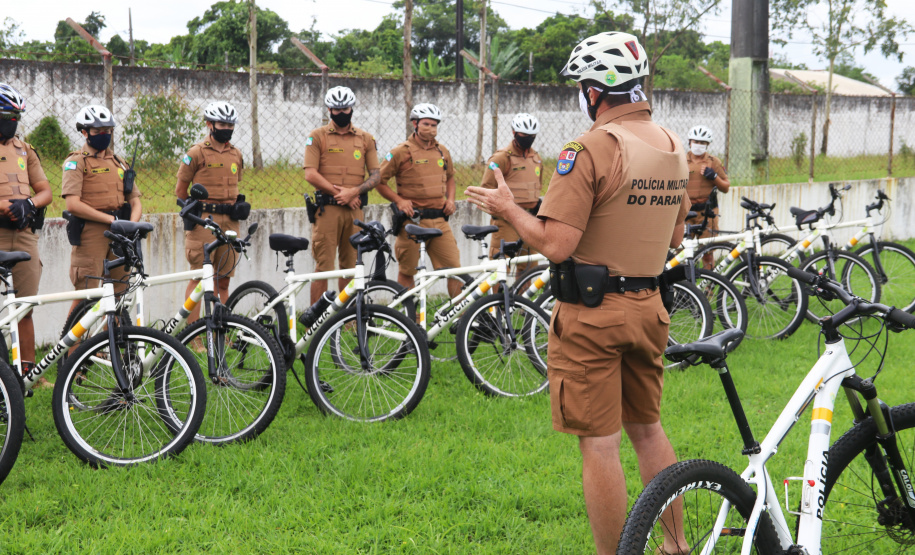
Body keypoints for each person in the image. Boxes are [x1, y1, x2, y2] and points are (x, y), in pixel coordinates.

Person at [466, 32, 690, 555]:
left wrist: (508, 211)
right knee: (649, 431)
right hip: (649, 308)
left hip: (592, 316)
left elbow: (556, 243)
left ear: (594, 91)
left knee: (601, 444)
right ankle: (675, 546)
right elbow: (675, 238)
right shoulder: (673, 146)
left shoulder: (587, 148)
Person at [62, 104, 142, 335]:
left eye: (108, 129)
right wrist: (109, 220)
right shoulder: (77, 162)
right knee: (85, 294)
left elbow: (135, 200)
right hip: (91, 234)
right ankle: (72, 352)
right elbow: (72, 203)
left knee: (118, 295)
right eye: (97, 130)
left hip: (120, 234)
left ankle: (113, 344)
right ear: (84, 132)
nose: (104, 134)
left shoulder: (119, 162)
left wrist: (130, 225)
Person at [303, 86, 380, 304]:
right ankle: (316, 323)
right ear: (329, 110)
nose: (341, 113)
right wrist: (341, 193)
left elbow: (376, 176)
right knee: (323, 267)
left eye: (345, 108)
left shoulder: (366, 139)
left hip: (355, 210)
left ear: (352, 108)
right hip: (327, 210)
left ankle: (348, 319)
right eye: (336, 110)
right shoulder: (317, 136)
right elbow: (310, 174)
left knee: (351, 267)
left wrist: (354, 192)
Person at [377, 103, 461, 296]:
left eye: (434, 125)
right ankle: (409, 319)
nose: (431, 129)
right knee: (408, 271)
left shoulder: (442, 151)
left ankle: (459, 319)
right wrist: (399, 201)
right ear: (414, 124)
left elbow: (450, 177)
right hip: (412, 222)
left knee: (455, 270)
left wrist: (451, 200)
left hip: (440, 220)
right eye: (426, 124)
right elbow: (379, 181)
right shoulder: (400, 152)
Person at [0, 84, 53, 387]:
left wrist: (28, 204)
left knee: (25, 306)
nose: (12, 121)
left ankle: (27, 372)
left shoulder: (24, 149)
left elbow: (45, 191)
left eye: (16, 116)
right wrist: (6, 206)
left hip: (23, 235)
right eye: (7, 114)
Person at [176, 101, 247, 321]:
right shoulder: (196, 153)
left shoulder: (236, 154)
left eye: (230, 124)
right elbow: (180, 190)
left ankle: (220, 331)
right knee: (200, 277)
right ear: (209, 124)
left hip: (230, 222)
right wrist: (194, 215)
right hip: (203, 222)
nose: (226, 127)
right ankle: (194, 336)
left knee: (223, 280)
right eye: (221, 123)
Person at [479, 113, 543, 271]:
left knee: (528, 266)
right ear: (514, 133)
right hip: (506, 221)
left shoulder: (536, 158)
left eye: (532, 135)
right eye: (524, 135)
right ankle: (496, 297)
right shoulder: (501, 158)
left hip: (530, 220)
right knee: (499, 266)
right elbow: (486, 189)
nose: (528, 138)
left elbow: (538, 186)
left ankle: (523, 296)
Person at [684, 125, 730, 269]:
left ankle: (708, 289)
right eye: (695, 142)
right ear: (689, 142)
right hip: (685, 212)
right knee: (682, 251)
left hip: (707, 213)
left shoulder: (713, 162)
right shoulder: (680, 160)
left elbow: (725, 187)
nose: (698, 145)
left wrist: (714, 176)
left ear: (707, 144)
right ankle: (683, 288)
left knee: (707, 252)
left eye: (702, 143)